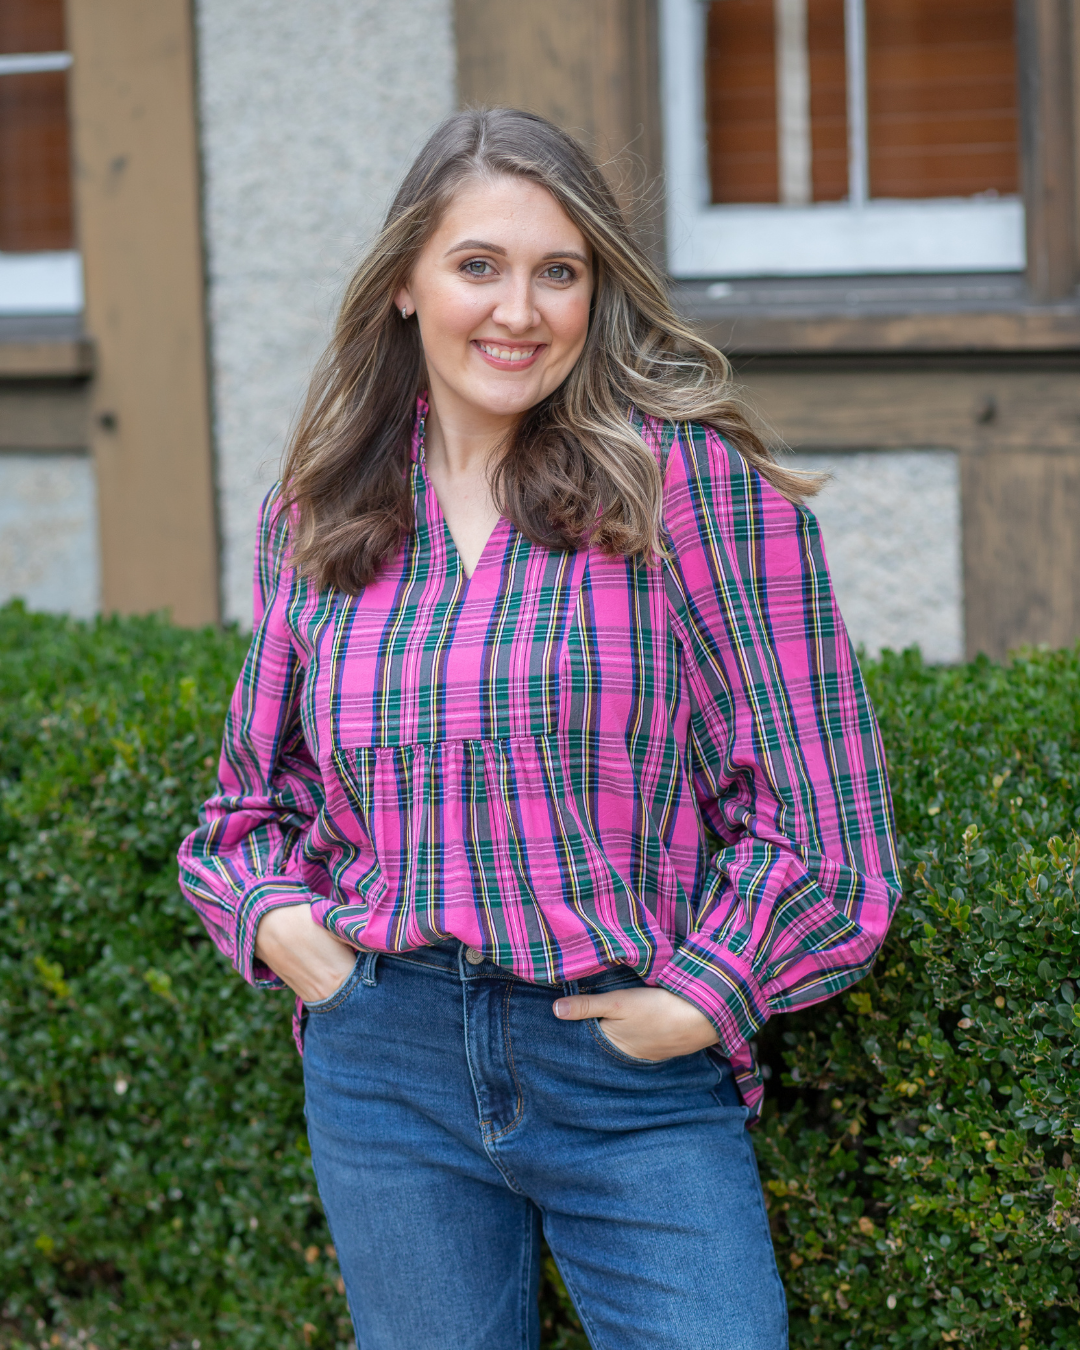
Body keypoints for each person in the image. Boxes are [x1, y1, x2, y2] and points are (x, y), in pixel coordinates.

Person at [178, 107, 901, 1350]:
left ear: (594, 293)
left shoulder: (688, 487)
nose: (519, 311)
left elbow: (828, 828)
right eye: (479, 267)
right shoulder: (322, 513)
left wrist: (702, 995)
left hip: (627, 1070)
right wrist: (286, 935)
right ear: (406, 283)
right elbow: (249, 809)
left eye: (557, 272)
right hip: (383, 1069)